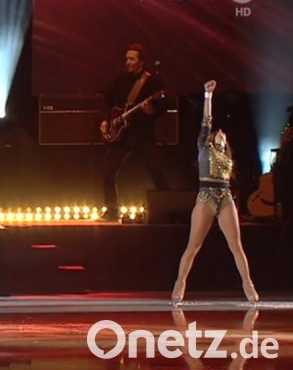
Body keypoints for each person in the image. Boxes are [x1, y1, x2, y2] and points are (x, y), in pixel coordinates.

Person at [171, 80, 258, 303]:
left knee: (235, 244)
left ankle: (247, 284)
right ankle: (180, 283)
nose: (220, 132)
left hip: (225, 197)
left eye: (223, 133)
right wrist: (208, 96)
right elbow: (206, 121)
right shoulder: (204, 146)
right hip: (206, 196)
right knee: (194, 245)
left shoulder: (228, 157)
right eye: (216, 132)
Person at [99, 43, 170, 220]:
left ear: (142, 61)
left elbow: (163, 106)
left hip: (143, 134)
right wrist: (105, 120)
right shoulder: (120, 81)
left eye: (132, 59)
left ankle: (169, 207)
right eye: (127, 58)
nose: (128, 62)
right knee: (108, 171)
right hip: (122, 135)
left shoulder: (153, 83)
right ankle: (112, 209)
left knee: (155, 170)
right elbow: (107, 102)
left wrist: (151, 111)